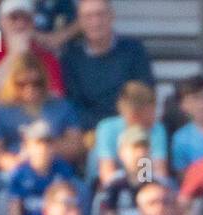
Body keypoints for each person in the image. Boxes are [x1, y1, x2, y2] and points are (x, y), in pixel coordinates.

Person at [59, 0, 153, 131]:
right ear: (80, 22)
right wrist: (103, 129)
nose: (95, 22)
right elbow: (73, 104)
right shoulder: (71, 57)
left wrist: (120, 125)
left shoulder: (134, 50)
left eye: (100, 14)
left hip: (130, 126)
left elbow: (144, 92)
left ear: (112, 16)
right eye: (88, 16)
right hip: (90, 132)